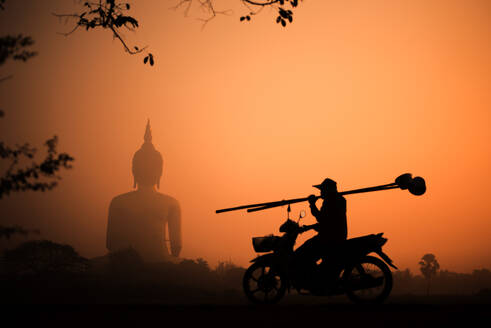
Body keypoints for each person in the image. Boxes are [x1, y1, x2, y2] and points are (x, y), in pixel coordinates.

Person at [106, 120, 182, 262]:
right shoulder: (171, 203)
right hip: (159, 264)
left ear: (134, 171)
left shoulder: (118, 202)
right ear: (160, 173)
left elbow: (110, 244)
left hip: (124, 264)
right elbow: (176, 247)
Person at [294, 178, 347, 290]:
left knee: (303, 252)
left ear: (328, 190)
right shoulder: (339, 200)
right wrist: (310, 227)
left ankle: (315, 280)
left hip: (329, 238)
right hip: (333, 236)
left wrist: (312, 204)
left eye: (322, 190)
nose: (320, 192)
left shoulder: (331, 201)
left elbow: (322, 219)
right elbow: (328, 222)